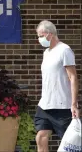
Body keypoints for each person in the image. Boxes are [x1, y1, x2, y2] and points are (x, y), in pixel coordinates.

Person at [34, 20, 80, 152]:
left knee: (70, 142)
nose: (39, 39)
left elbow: (73, 77)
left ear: (50, 34)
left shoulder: (64, 50)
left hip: (62, 106)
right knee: (40, 137)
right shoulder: (46, 52)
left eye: (41, 36)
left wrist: (74, 104)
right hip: (45, 105)